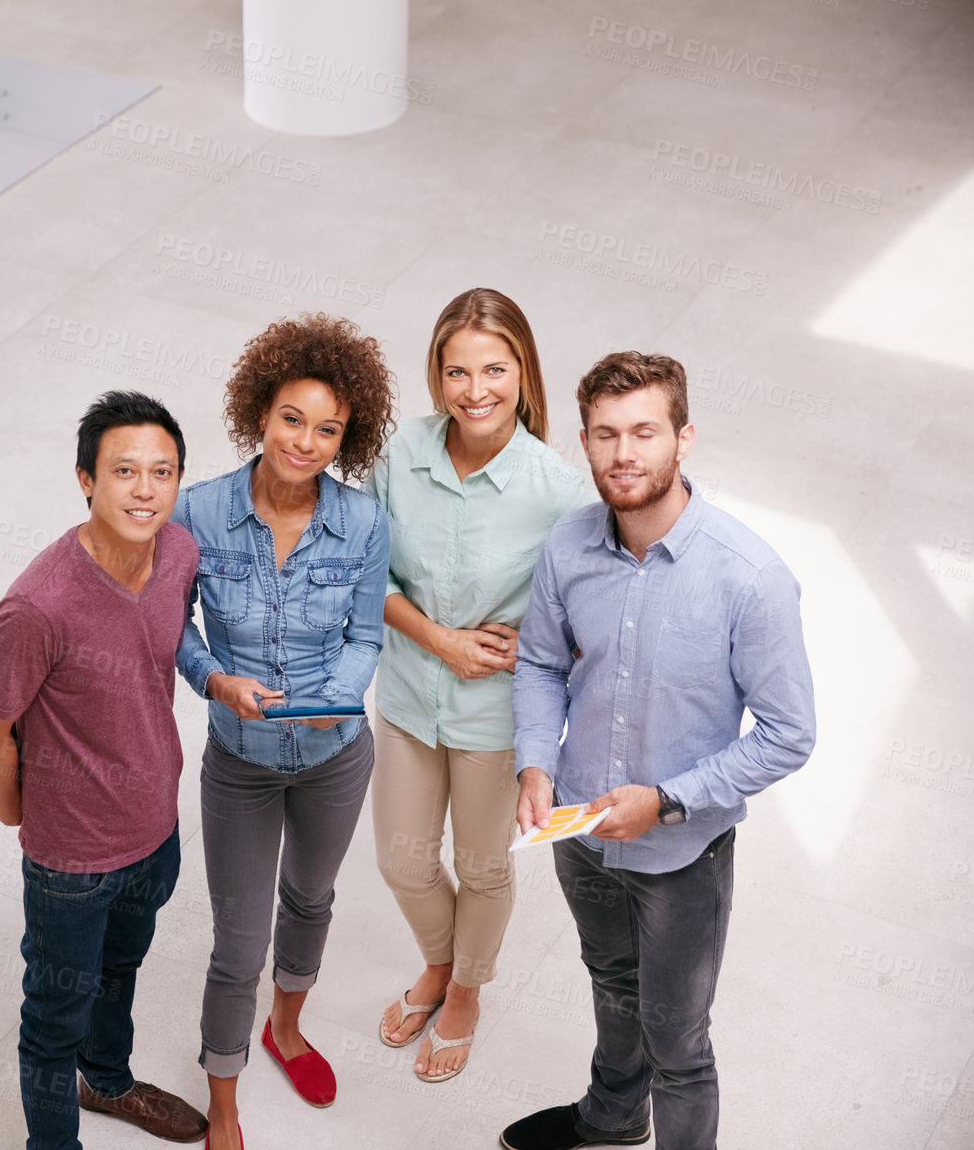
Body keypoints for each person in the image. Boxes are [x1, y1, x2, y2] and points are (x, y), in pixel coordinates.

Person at [499, 352, 816, 1150]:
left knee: (678, 1045)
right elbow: (539, 660)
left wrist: (666, 799)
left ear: (684, 438)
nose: (623, 454)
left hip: (681, 856)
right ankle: (611, 1117)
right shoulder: (568, 547)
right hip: (579, 831)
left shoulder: (750, 577)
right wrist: (535, 762)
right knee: (611, 985)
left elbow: (789, 733)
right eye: (605, 435)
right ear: (582, 441)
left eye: (644, 431)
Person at [173, 313, 395, 1150]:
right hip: (239, 763)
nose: (306, 442)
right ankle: (222, 1098)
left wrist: (326, 703)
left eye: (328, 429)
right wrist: (215, 681)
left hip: (336, 757)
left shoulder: (364, 522)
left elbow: (367, 635)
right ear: (258, 414)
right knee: (237, 941)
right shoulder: (196, 513)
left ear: (349, 435)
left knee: (310, 898)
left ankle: (287, 1029)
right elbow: (177, 631)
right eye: (292, 420)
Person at [0, 390, 209, 1150]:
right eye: (125, 471)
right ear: (85, 481)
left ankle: (107, 1082)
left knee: (121, 968)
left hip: (154, 826)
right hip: (69, 855)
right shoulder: (37, 606)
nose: (145, 489)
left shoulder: (178, 554)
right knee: (51, 1019)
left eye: (161, 472)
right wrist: (17, 812)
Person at [366, 288, 592, 1083]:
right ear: (436, 375)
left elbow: (588, 617)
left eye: (494, 369)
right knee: (401, 859)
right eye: (456, 371)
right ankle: (437, 959)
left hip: (497, 715)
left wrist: (529, 638)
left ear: (522, 370)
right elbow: (366, 575)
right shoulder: (401, 453)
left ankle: (462, 987)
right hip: (405, 696)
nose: (475, 391)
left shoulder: (560, 492)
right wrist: (437, 640)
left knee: (484, 866)